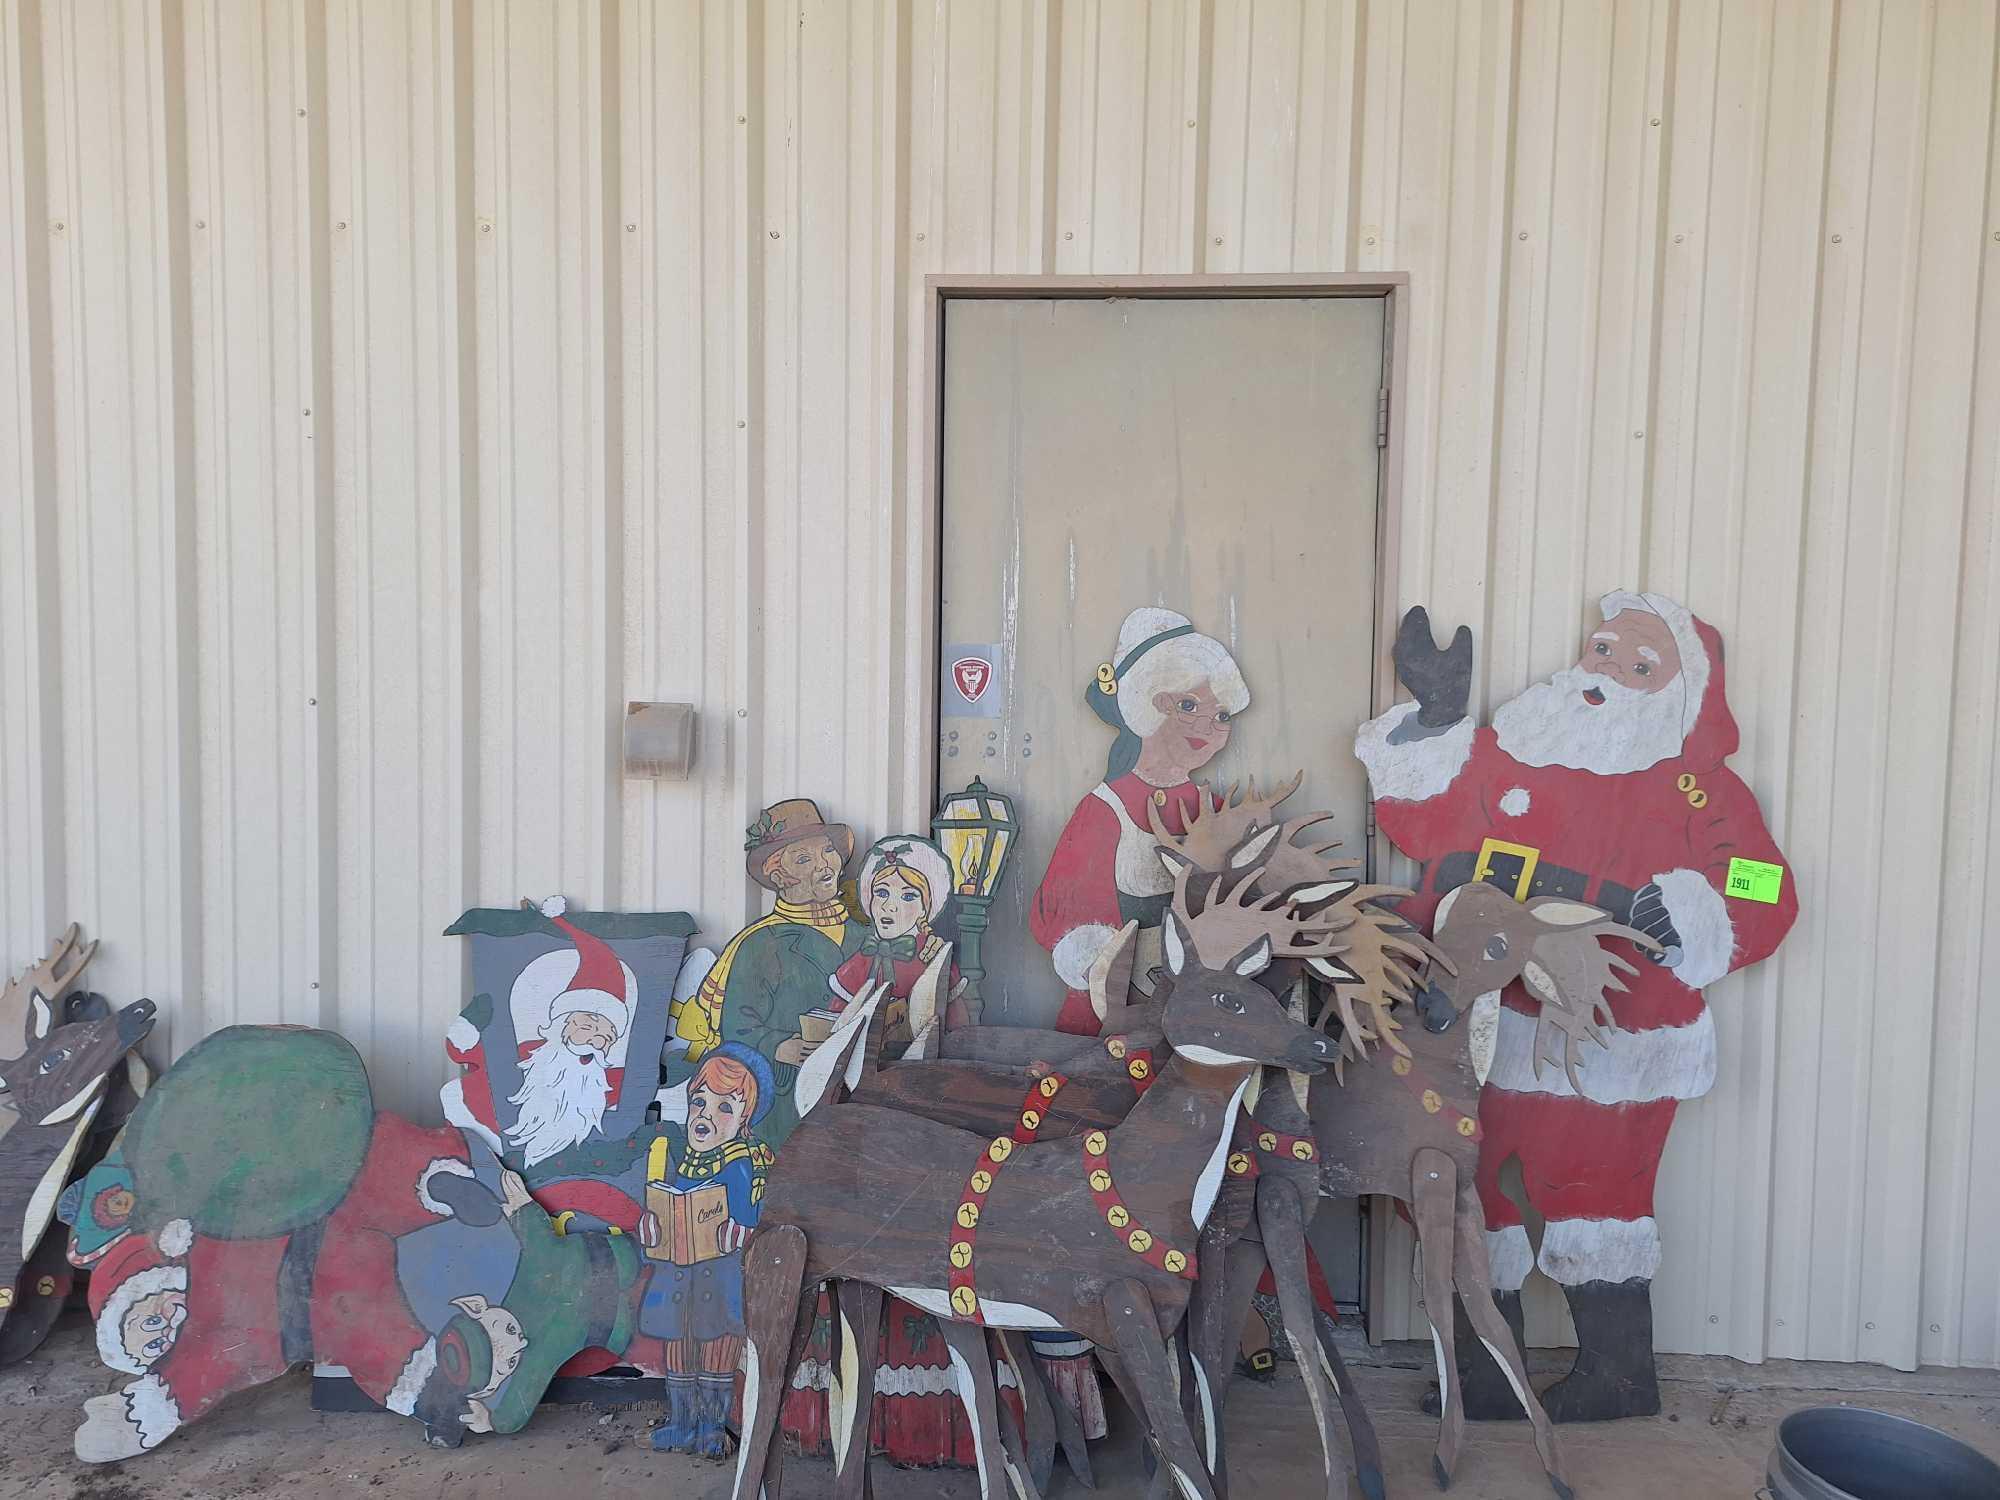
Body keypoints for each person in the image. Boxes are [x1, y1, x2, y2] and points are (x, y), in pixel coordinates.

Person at [1354, 591, 1798, 1420]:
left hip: (1616, 1036)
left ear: (1678, 693)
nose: (1607, 675)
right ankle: (1487, 1370)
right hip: (1486, 1020)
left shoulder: (1703, 792)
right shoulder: (1515, 751)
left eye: (1639, 665)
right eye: (1602, 652)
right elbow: (1421, 823)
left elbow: (1765, 888)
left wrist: (1696, 908)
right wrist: (1436, 716)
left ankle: (1619, 1375)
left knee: (1597, 1197)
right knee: (1463, 1185)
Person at [1030, 606, 1248, 1033]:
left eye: (1221, 715)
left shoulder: (1216, 808)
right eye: (1189, 705)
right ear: (1152, 705)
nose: (1209, 725)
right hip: (1117, 1014)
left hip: (1200, 1012)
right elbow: (1065, 916)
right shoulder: (1103, 811)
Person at [669, 798, 868, 1148]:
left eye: (828, 853)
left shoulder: (864, 936)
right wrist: (781, 1046)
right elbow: (737, 1026)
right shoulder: (762, 943)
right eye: (805, 859)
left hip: (859, 1091)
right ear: (779, 875)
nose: (825, 866)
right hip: (788, 1098)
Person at [641, 1043, 773, 1459]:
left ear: (744, 1119)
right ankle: (682, 1423)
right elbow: (669, 1205)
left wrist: (743, 1231)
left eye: (724, 1108)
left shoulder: (743, 1165)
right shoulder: (684, 1163)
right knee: (680, 1346)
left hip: (720, 1278)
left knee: (716, 1347)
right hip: (679, 1277)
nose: (706, 1116)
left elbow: (756, 1217)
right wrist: (653, 1226)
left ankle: (712, 1427)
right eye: (700, 1102)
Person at [826, 835, 966, 1054]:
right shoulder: (861, 960)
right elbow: (837, 1021)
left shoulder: (932, 957)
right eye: (881, 893)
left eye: (908, 897)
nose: (890, 906)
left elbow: (958, 1027)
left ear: (925, 909)